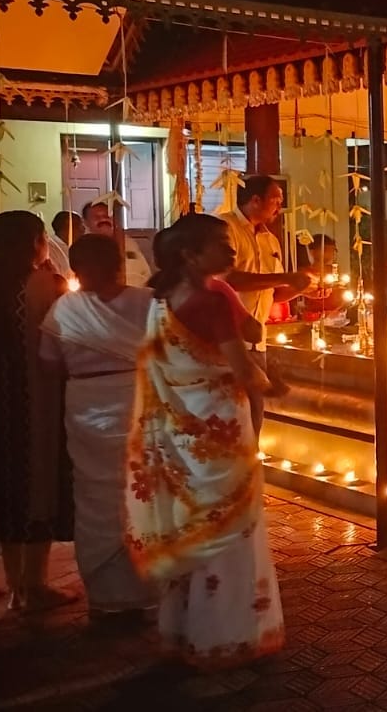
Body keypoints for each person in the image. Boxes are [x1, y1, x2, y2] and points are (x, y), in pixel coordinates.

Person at [126, 213, 285, 667]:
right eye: (220, 243)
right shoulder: (212, 300)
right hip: (220, 432)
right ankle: (228, 636)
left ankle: (184, 630)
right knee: (231, 531)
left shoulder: (160, 299)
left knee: (194, 525)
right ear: (189, 255)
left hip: (183, 434)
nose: (231, 249)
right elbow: (244, 371)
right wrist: (279, 384)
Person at [38, 235, 157, 619]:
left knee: (94, 496)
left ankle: (108, 598)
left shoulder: (63, 309)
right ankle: (145, 591)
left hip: (86, 402)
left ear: (75, 270)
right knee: (141, 490)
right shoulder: (147, 302)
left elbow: (49, 363)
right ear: (119, 264)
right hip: (136, 399)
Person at [0, 210, 76, 613]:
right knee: (37, 481)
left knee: (3, 486)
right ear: (35, 243)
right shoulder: (47, 284)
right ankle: (34, 585)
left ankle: (12, 583)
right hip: (37, 397)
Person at [219, 175, 312, 345]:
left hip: (258, 338)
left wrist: (303, 288)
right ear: (256, 200)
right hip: (227, 338)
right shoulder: (225, 228)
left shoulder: (270, 240)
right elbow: (227, 280)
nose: (279, 207)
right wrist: (285, 278)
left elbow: (273, 294)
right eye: (276, 201)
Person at [81, 201, 151, 286]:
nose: (103, 219)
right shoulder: (82, 248)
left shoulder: (128, 242)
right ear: (85, 222)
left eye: (107, 216)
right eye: (97, 217)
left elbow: (145, 273)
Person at [292, 235, 346, 325]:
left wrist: (336, 311)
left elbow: (343, 296)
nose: (330, 253)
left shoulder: (335, 272)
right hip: (311, 320)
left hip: (336, 318)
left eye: (333, 250)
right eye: (325, 250)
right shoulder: (304, 272)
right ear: (312, 252)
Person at [48, 211, 85, 277]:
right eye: (80, 225)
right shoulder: (50, 248)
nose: (83, 229)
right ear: (68, 226)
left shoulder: (77, 247)